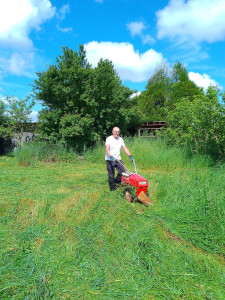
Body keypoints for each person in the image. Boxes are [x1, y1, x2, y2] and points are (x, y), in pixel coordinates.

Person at [105, 127, 134, 191]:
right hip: (110, 159)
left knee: (122, 172)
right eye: (116, 131)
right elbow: (107, 149)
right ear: (112, 132)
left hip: (118, 159)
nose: (117, 133)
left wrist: (130, 155)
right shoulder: (109, 139)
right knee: (111, 174)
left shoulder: (120, 139)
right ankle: (112, 188)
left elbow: (125, 148)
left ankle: (117, 181)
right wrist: (110, 156)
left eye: (118, 131)